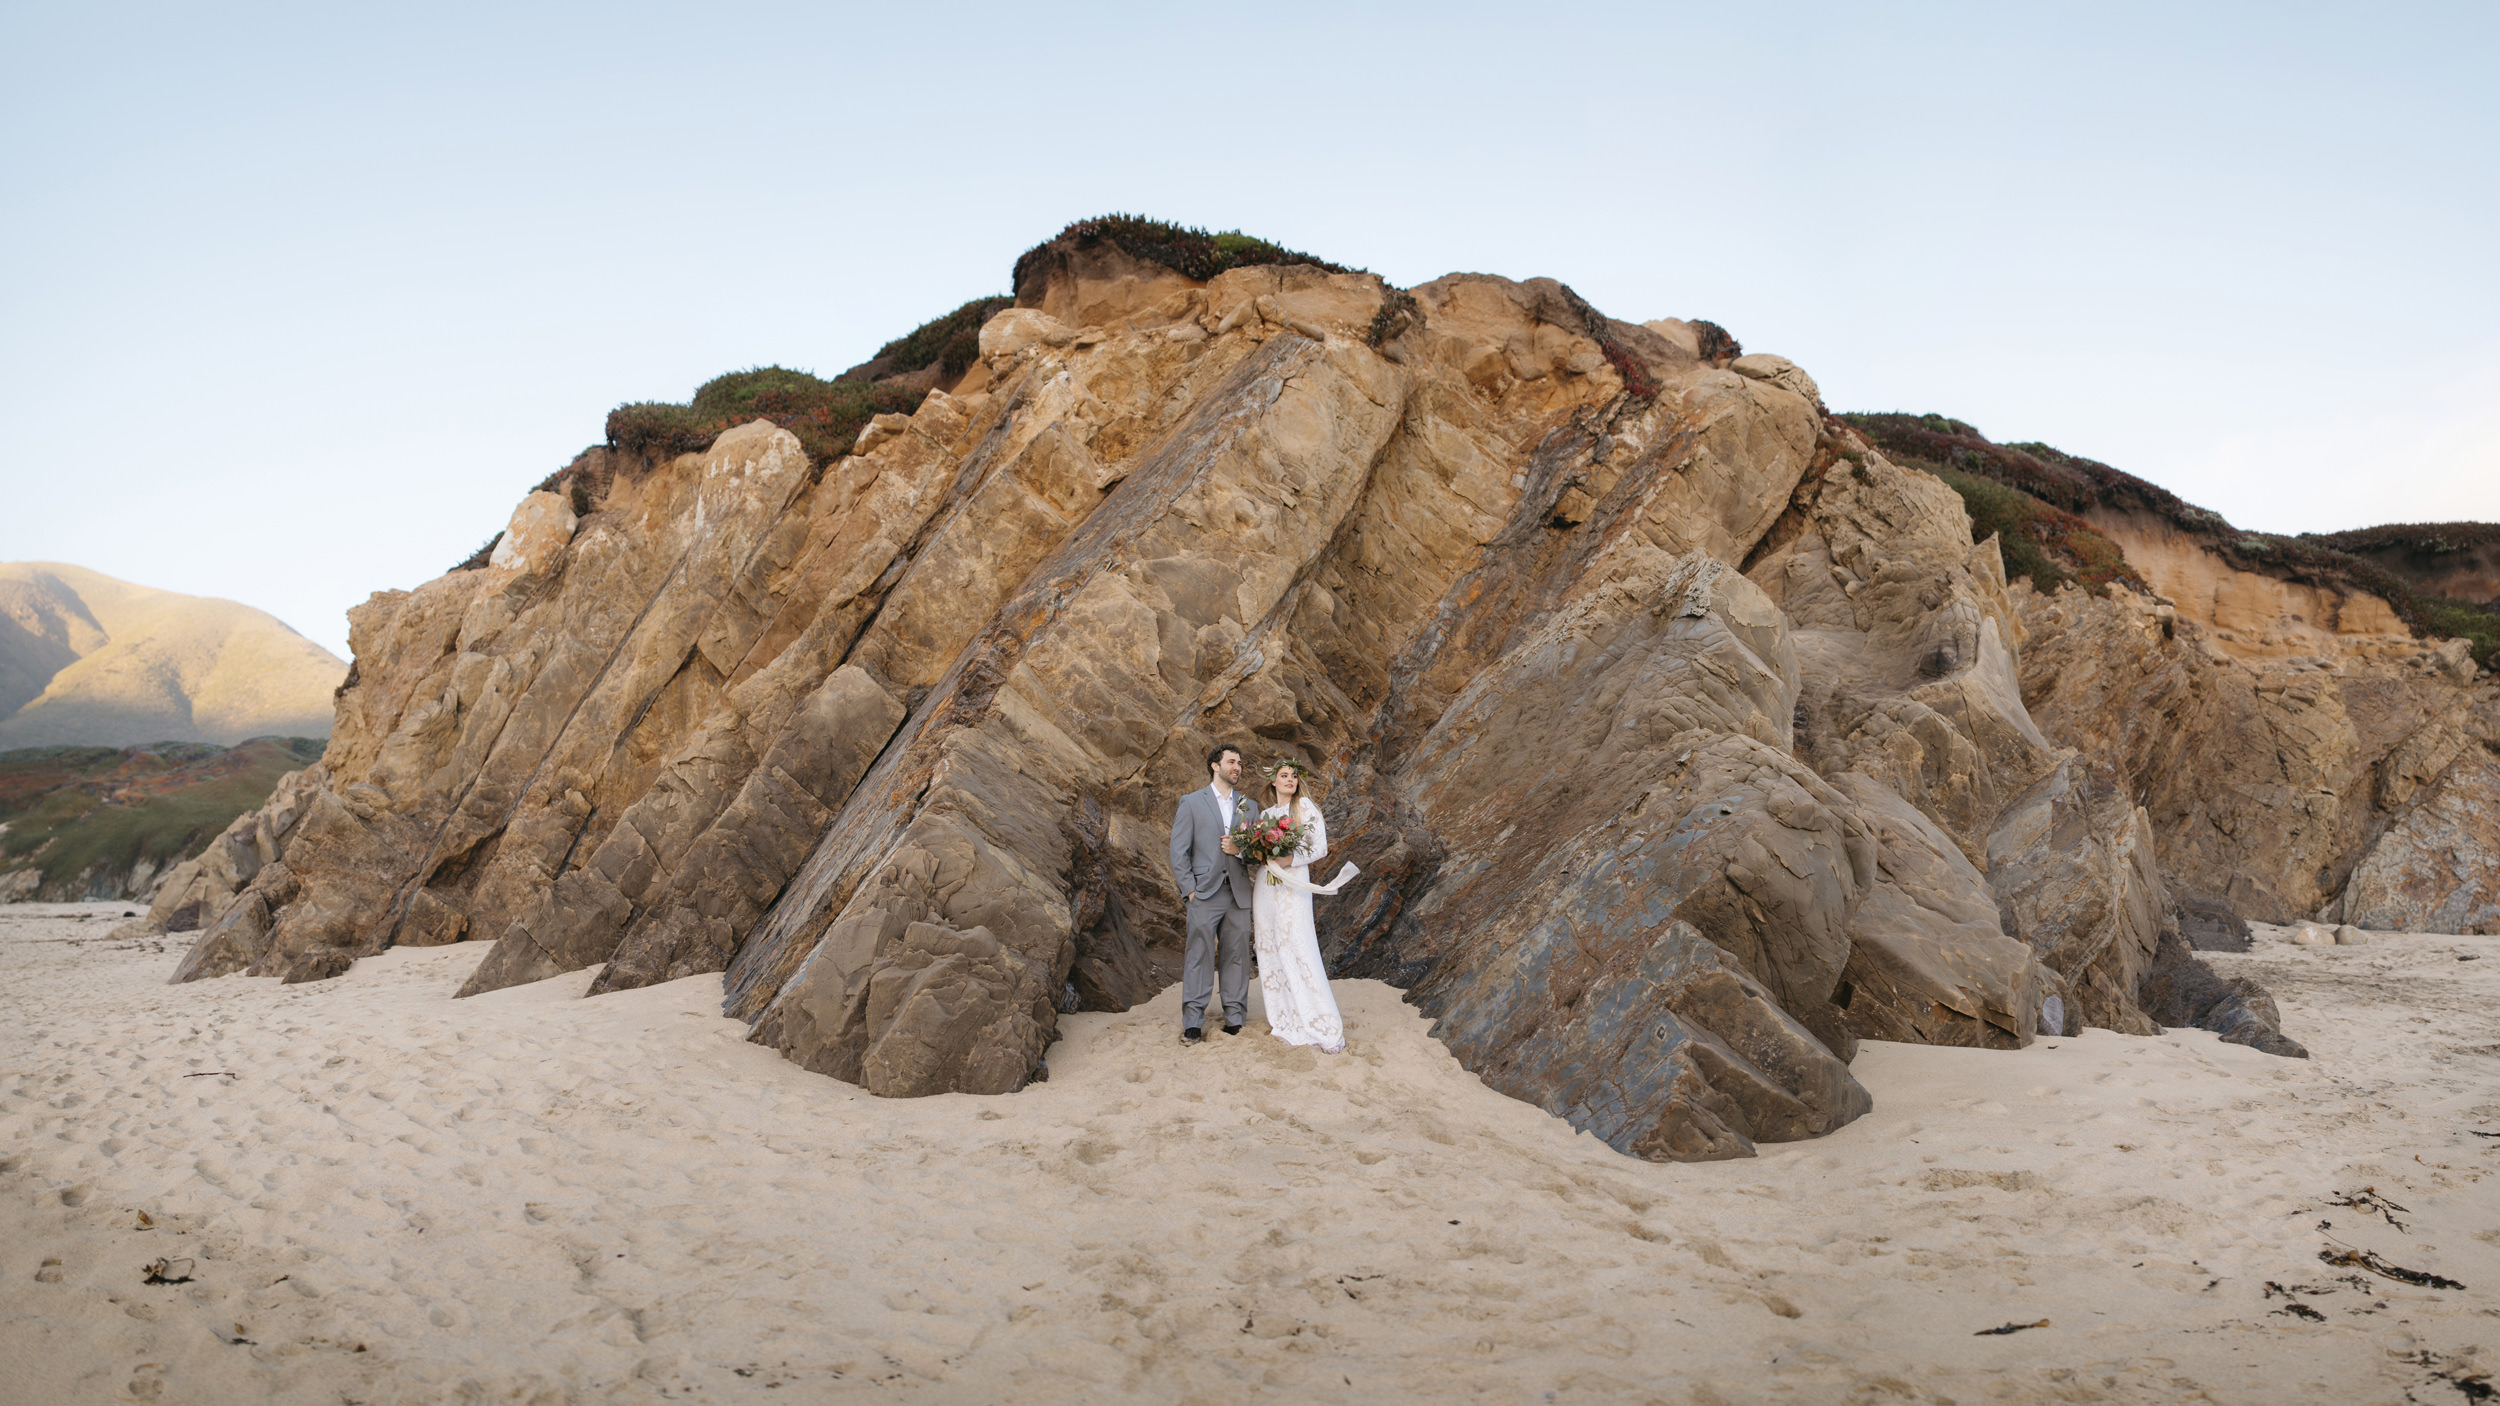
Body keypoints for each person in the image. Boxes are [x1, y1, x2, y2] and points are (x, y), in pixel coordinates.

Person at [1250, 761, 1355, 1054]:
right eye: (1283, 776)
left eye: (1294, 776)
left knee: (1298, 944)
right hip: (1266, 885)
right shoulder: (1266, 815)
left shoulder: (1304, 807)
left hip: (1293, 882)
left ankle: (1319, 1020)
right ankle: (1285, 1018)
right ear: (1273, 782)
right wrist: (1260, 851)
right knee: (1269, 946)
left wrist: (1290, 859)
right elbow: (1260, 852)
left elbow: (1320, 847)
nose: (1290, 780)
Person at [1167, 743, 1257, 1043]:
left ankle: (1234, 1018)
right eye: (1231, 762)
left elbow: (1258, 852)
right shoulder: (1191, 803)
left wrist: (1240, 849)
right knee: (1199, 956)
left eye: (1240, 763)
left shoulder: (1249, 806)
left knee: (1236, 957)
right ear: (1214, 766)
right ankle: (1193, 1021)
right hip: (1204, 894)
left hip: (1239, 894)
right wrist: (1190, 891)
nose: (1237, 767)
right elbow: (1179, 851)